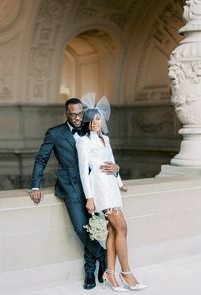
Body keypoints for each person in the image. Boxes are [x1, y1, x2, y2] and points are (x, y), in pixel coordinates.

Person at [29, 97, 120, 290]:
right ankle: (102, 256)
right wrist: (35, 185)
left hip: (95, 187)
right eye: (73, 114)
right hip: (69, 187)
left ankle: (90, 270)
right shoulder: (54, 133)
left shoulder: (90, 130)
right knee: (82, 228)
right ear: (66, 114)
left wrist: (116, 168)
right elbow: (41, 159)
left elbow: (105, 155)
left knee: (94, 228)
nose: (78, 118)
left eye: (80, 113)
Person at [75, 94, 147, 292]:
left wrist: (120, 179)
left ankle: (109, 274)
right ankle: (126, 273)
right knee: (122, 227)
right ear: (87, 122)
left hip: (112, 186)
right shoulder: (82, 142)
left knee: (114, 231)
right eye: (93, 119)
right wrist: (89, 198)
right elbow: (83, 171)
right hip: (99, 186)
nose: (97, 122)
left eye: (99, 119)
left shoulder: (105, 138)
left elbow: (113, 163)